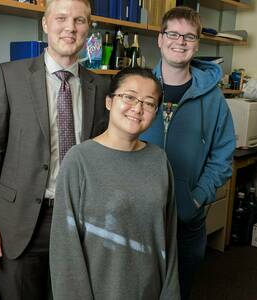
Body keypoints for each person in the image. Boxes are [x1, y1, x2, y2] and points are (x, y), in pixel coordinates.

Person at [0, 0, 110, 299]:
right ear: (46, 24)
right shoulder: (9, 75)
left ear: (88, 28)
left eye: (79, 20)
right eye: (61, 18)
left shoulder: (100, 86)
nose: (70, 27)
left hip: (78, 219)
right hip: (19, 222)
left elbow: (102, 160)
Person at [50, 67, 180, 300]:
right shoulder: (79, 160)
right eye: (129, 97)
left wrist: (170, 294)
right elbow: (65, 250)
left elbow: (168, 237)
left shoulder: (159, 160)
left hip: (151, 291)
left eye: (149, 103)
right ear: (109, 102)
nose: (138, 108)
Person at [140, 6, 236, 300]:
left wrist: (196, 197)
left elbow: (223, 155)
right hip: (140, 217)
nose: (180, 42)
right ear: (160, 38)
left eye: (189, 36)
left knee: (180, 290)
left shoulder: (213, 97)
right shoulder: (138, 86)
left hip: (188, 219)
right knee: (137, 288)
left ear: (197, 44)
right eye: (173, 33)